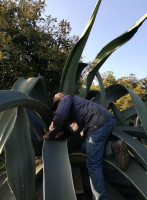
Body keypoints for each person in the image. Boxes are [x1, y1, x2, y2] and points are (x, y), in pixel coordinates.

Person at [43, 93, 129, 200]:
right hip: (108, 121)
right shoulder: (78, 104)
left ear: (59, 101)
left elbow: (60, 117)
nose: (56, 109)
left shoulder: (65, 99)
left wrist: (50, 134)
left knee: (93, 165)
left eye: (56, 106)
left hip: (97, 125)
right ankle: (113, 147)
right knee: (85, 148)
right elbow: (74, 129)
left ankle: (100, 198)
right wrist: (63, 133)